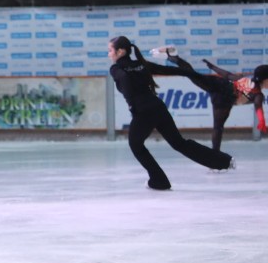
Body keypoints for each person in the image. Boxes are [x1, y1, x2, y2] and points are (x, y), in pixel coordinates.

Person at [108, 36, 234, 190]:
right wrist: (195, 74)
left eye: (110, 50)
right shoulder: (141, 64)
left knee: (136, 145)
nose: (109, 54)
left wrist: (131, 104)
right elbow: (170, 70)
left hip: (143, 112)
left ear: (120, 51)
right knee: (179, 143)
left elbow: (124, 79)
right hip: (158, 107)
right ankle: (224, 161)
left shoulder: (116, 69)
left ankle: (159, 180)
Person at [148, 46, 267, 150]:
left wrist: (213, 67)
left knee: (192, 74)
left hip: (218, 84)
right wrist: (261, 121)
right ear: (265, 79)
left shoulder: (245, 81)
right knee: (218, 128)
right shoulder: (258, 94)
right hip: (223, 98)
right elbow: (258, 107)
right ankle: (215, 156)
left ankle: (173, 57)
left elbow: (227, 75)